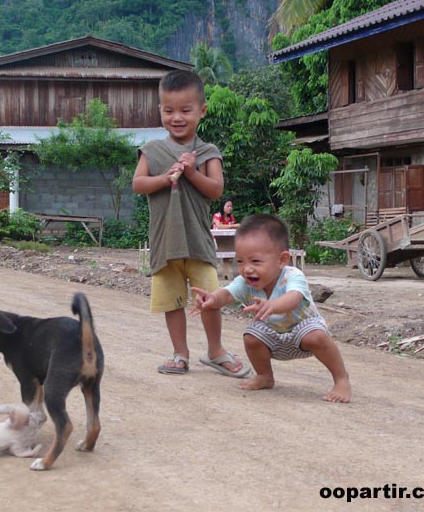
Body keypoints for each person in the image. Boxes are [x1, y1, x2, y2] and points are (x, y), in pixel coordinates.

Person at [132, 69, 249, 378]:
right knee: (172, 301)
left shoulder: (208, 152)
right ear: (160, 111)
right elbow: (138, 184)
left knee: (209, 298)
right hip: (165, 241)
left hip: (197, 240)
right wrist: (165, 177)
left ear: (202, 111)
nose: (177, 117)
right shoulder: (152, 150)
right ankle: (179, 354)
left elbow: (216, 190)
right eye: (169, 110)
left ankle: (215, 351)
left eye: (186, 110)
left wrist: (192, 172)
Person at [191, 213, 351, 403]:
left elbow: (293, 298)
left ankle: (341, 379)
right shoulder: (245, 282)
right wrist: (211, 299)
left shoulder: (292, 275)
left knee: (316, 335)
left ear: (282, 259)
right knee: (251, 336)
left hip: (304, 333)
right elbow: (226, 294)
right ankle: (265, 376)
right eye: (240, 261)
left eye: (255, 261)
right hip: (274, 338)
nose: (246, 268)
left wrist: (273, 305)